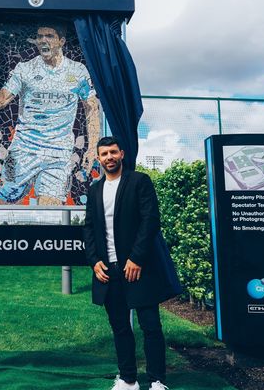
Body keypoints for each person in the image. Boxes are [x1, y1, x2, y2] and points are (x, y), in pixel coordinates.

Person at [83, 136, 171, 390]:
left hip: (137, 269)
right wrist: (94, 261)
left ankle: (157, 381)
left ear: (121, 154)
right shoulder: (94, 190)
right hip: (108, 271)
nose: (109, 157)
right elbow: (89, 228)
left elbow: (150, 220)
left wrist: (136, 258)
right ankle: (128, 379)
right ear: (98, 159)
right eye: (104, 154)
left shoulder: (139, 182)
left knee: (150, 326)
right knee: (120, 327)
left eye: (113, 152)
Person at [0, 22, 100, 206]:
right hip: (23, 150)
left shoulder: (77, 71)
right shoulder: (25, 69)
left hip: (58, 153)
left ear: (61, 41)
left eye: (49, 36)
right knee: (4, 206)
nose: (43, 40)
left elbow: (91, 107)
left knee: (50, 211)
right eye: (39, 37)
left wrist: (92, 146)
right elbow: (2, 99)